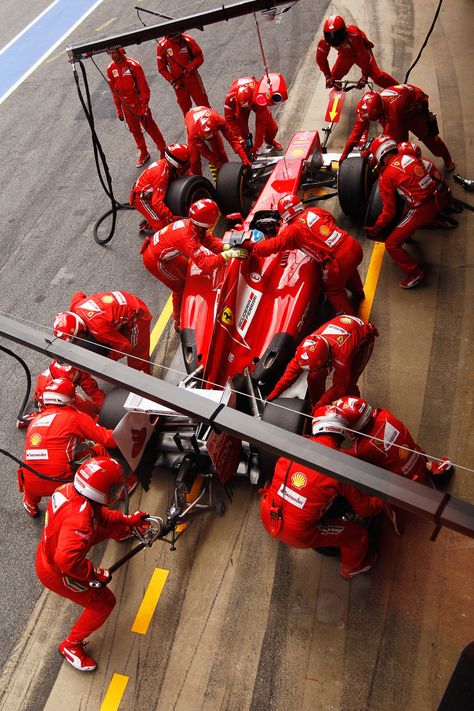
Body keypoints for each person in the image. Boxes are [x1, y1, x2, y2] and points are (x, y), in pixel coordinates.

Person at [35, 456, 150, 671]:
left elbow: (100, 516)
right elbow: (67, 561)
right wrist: (94, 574)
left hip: (52, 547)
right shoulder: (81, 520)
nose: (116, 492)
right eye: (114, 488)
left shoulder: (70, 490)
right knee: (104, 603)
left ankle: (123, 531)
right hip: (59, 572)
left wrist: (127, 521)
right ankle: (71, 644)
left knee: (106, 524)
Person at [259, 409, 384, 579]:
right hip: (298, 534)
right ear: (340, 433)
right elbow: (365, 509)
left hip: (267, 514)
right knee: (358, 536)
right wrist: (384, 499)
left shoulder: (295, 445)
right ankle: (351, 569)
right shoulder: (341, 466)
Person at [140, 198, 248, 332]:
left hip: (164, 251)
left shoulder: (193, 225)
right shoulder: (188, 238)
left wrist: (225, 247)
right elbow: (205, 264)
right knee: (179, 287)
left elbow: (208, 240)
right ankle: (178, 322)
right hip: (156, 261)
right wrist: (227, 255)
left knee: (188, 272)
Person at [247, 193, 364, 314]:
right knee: (349, 270)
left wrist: (251, 246)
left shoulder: (291, 231)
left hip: (338, 262)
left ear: (284, 216)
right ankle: (359, 292)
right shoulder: (315, 211)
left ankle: (350, 320)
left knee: (333, 290)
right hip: (353, 246)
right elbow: (330, 219)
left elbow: (271, 247)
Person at [18, 379, 117, 518]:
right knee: (101, 449)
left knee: (35, 466)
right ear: (70, 398)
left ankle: (30, 503)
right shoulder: (75, 418)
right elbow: (109, 440)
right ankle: (117, 485)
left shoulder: (35, 420)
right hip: (62, 481)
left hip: (30, 482)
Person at [364, 135, 452, 289]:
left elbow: (389, 212)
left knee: (391, 244)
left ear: (379, 154)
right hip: (439, 199)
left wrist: (376, 227)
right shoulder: (410, 157)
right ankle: (423, 226)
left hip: (422, 209)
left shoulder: (386, 176)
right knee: (406, 217)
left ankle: (415, 273)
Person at [332, 395, 452, 482]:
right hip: (419, 459)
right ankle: (430, 467)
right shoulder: (384, 414)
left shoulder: (361, 449)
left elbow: (339, 456)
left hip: (404, 483)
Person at [267, 314, 378, 407]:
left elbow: (339, 389)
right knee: (314, 376)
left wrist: (320, 406)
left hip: (364, 338)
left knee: (348, 386)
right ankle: (317, 405)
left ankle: (357, 409)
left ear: (328, 359)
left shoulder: (342, 356)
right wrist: (275, 392)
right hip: (343, 326)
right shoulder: (306, 347)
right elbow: (290, 372)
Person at [339, 84, 454, 170]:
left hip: (414, 111)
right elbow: (356, 132)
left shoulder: (394, 111)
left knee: (428, 138)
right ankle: (405, 165)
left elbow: (388, 138)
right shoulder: (366, 107)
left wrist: (371, 153)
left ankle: (446, 157)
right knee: (398, 148)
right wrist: (345, 153)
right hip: (396, 112)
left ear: (380, 113)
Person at [53, 290, 153, 374]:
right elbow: (78, 295)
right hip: (121, 302)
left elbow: (124, 346)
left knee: (137, 360)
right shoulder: (75, 307)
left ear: (81, 331)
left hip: (138, 316)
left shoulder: (99, 330)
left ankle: (148, 383)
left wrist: (108, 360)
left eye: (75, 341)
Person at [107, 48, 166, 168]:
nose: (112, 55)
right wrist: (118, 109)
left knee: (151, 128)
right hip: (126, 106)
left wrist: (144, 106)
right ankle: (144, 152)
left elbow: (144, 88)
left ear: (120, 51)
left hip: (139, 104)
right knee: (135, 131)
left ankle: (163, 150)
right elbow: (114, 91)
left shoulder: (133, 65)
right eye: (110, 53)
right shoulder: (110, 69)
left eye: (114, 52)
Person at [17, 359, 105, 428]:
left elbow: (88, 384)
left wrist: (103, 404)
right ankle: (32, 419)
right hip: (48, 401)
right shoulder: (48, 387)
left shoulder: (73, 365)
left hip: (66, 393)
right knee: (74, 419)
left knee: (94, 409)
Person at [316, 15, 398, 90]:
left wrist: (364, 76)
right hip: (345, 55)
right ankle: (337, 94)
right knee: (334, 78)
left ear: (345, 32)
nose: (336, 45)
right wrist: (328, 76)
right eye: (332, 42)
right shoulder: (325, 41)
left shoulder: (355, 36)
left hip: (361, 52)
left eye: (339, 41)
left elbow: (364, 58)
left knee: (377, 77)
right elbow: (320, 59)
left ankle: (399, 89)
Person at [129, 143, 191, 235]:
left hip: (155, 192)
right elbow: (157, 203)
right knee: (164, 230)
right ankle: (150, 225)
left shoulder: (169, 166)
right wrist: (172, 218)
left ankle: (155, 220)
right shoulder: (161, 176)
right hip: (143, 199)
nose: (187, 165)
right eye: (185, 163)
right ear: (176, 163)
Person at [224, 76, 282, 157]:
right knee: (241, 127)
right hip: (241, 107)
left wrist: (257, 146)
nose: (247, 108)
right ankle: (248, 149)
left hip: (255, 101)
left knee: (271, 127)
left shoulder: (259, 95)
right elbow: (229, 119)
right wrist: (240, 138)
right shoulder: (230, 98)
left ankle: (269, 141)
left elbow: (261, 124)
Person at [185, 106, 251, 177]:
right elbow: (205, 151)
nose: (209, 140)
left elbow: (232, 138)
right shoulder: (193, 133)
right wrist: (216, 162)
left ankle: (227, 173)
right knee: (194, 160)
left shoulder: (219, 120)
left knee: (220, 153)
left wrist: (243, 156)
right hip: (191, 122)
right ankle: (197, 179)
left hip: (210, 123)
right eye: (207, 138)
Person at [156, 31, 210, 117]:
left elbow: (200, 57)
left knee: (204, 106)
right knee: (186, 111)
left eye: (179, 36)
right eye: (176, 37)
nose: (178, 39)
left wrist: (190, 67)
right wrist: (173, 81)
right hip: (179, 84)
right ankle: (191, 128)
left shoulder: (187, 40)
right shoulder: (161, 47)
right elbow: (162, 69)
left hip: (193, 78)